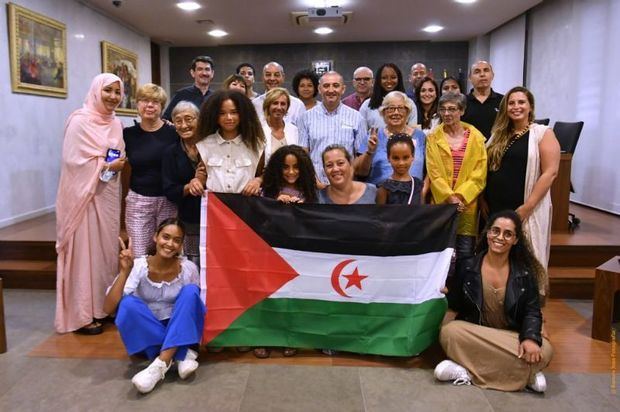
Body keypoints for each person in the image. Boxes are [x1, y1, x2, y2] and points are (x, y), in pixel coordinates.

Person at [435, 210, 553, 392]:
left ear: (516, 240)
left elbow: (532, 311)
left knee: (544, 349)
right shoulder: (468, 266)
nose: (500, 237)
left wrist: (530, 338)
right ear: (488, 233)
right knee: (451, 332)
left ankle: (467, 371)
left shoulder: (526, 273)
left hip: (510, 337)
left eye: (508, 234)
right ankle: (526, 375)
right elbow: (455, 305)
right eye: (495, 231)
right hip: (477, 333)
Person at [55, 73, 127, 334]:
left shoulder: (116, 123)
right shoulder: (79, 121)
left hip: (107, 196)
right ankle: (82, 314)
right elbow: (73, 162)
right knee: (85, 255)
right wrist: (106, 164)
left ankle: (103, 307)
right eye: (108, 91)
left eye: (118, 92)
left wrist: (113, 166)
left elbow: (116, 156)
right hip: (83, 200)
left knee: (105, 255)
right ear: (96, 91)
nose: (113, 97)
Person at [103, 219, 206, 394]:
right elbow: (108, 309)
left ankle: (160, 364)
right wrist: (124, 272)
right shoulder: (139, 266)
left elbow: (194, 308)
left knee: (190, 292)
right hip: (149, 335)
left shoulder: (188, 268)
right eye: (166, 237)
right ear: (155, 237)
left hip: (178, 326)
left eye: (177, 240)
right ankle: (180, 353)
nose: (170, 244)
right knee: (127, 304)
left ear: (181, 245)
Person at [484, 86, 560, 298]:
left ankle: (528, 302)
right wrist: (483, 198)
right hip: (497, 207)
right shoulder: (498, 135)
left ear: (530, 107)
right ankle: (498, 299)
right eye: (511, 103)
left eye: (521, 102)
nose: (516, 106)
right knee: (499, 254)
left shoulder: (543, 133)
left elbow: (550, 173)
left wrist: (527, 207)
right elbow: (485, 167)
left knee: (526, 257)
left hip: (525, 207)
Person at [426, 92, 487, 262]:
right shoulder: (433, 137)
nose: (446, 114)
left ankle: (462, 289)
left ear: (462, 111)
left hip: (467, 204)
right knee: (439, 254)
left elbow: (479, 173)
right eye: (443, 109)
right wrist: (450, 198)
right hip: (442, 203)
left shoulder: (476, 137)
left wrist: (460, 197)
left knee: (465, 253)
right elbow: (434, 172)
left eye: (452, 109)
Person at [123, 83, 178, 256]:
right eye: (144, 100)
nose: (149, 105)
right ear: (137, 104)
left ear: (162, 107)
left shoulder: (174, 132)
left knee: (167, 252)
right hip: (139, 200)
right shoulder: (127, 134)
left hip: (168, 200)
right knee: (139, 253)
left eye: (155, 102)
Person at [298, 71, 367, 185]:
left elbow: (360, 155)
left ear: (343, 89)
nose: (331, 90)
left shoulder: (357, 117)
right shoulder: (306, 117)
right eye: (326, 86)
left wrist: (349, 177)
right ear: (319, 89)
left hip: (346, 186)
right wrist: (315, 182)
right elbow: (303, 155)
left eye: (336, 86)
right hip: (315, 185)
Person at [195, 90, 266, 195]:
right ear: (215, 116)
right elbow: (203, 174)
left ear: (242, 114)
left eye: (234, 112)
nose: (229, 118)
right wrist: (196, 181)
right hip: (216, 207)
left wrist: (258, 181)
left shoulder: (256, 144)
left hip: (246, 206)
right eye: (222, 113)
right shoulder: (204, 144)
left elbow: (263, 173)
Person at [162, 101, 203, 266]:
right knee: (193, 262)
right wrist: (189, 186)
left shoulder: (212, 145)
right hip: (190, 216)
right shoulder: (170, 152)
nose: (184, 125)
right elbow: (169, 189)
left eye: (189, 119)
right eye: (178, 121)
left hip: (217, 215)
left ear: (198, 120)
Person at [355, 91, 426, 185]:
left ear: (407, 112)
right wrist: (369, 152)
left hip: (413, 193)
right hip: (380, 193)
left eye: (400, 108)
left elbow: (431, 170)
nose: (396, 113)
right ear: (383, 113)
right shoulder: (374, 135)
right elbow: (360, 172)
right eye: (391, 108)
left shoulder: (420, 136)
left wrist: (423, 192)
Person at [359, 63, 417, 130]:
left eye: (393, 77)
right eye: (384, 78)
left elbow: (414, 133)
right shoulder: (367, 105)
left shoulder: (409, 103)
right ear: (378, 80)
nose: (389, 81)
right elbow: (362, 135)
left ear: (399, 79)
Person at [461, 61, 503, 140]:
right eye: (477, 72)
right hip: (469, 150)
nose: (482, 74)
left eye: (486, 70)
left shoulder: (503, 101)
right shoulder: (461, 102)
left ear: (492, 75)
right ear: (470, 78)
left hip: (497, 150)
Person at [163, 56, 215, 120]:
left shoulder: (215, 96)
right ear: (192, 73)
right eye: (200, 69)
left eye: (207, 69)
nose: (204, 73)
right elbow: (166, 119)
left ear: (212, 73)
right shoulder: (181, 94)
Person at [376, 134, 423, 205]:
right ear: (388, 158)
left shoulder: (418, 185)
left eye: (405, 157)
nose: (401, 163)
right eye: (396, 158)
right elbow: (379, 214)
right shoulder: (384, 188)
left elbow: (422, 212)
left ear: (412, 156)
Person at [261, 87, 299, 165]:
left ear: (287, 107)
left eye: (283, 104)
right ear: (268, 106)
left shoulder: (294, 130)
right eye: (275, 103)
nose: (279, 107)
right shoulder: (259, 130)